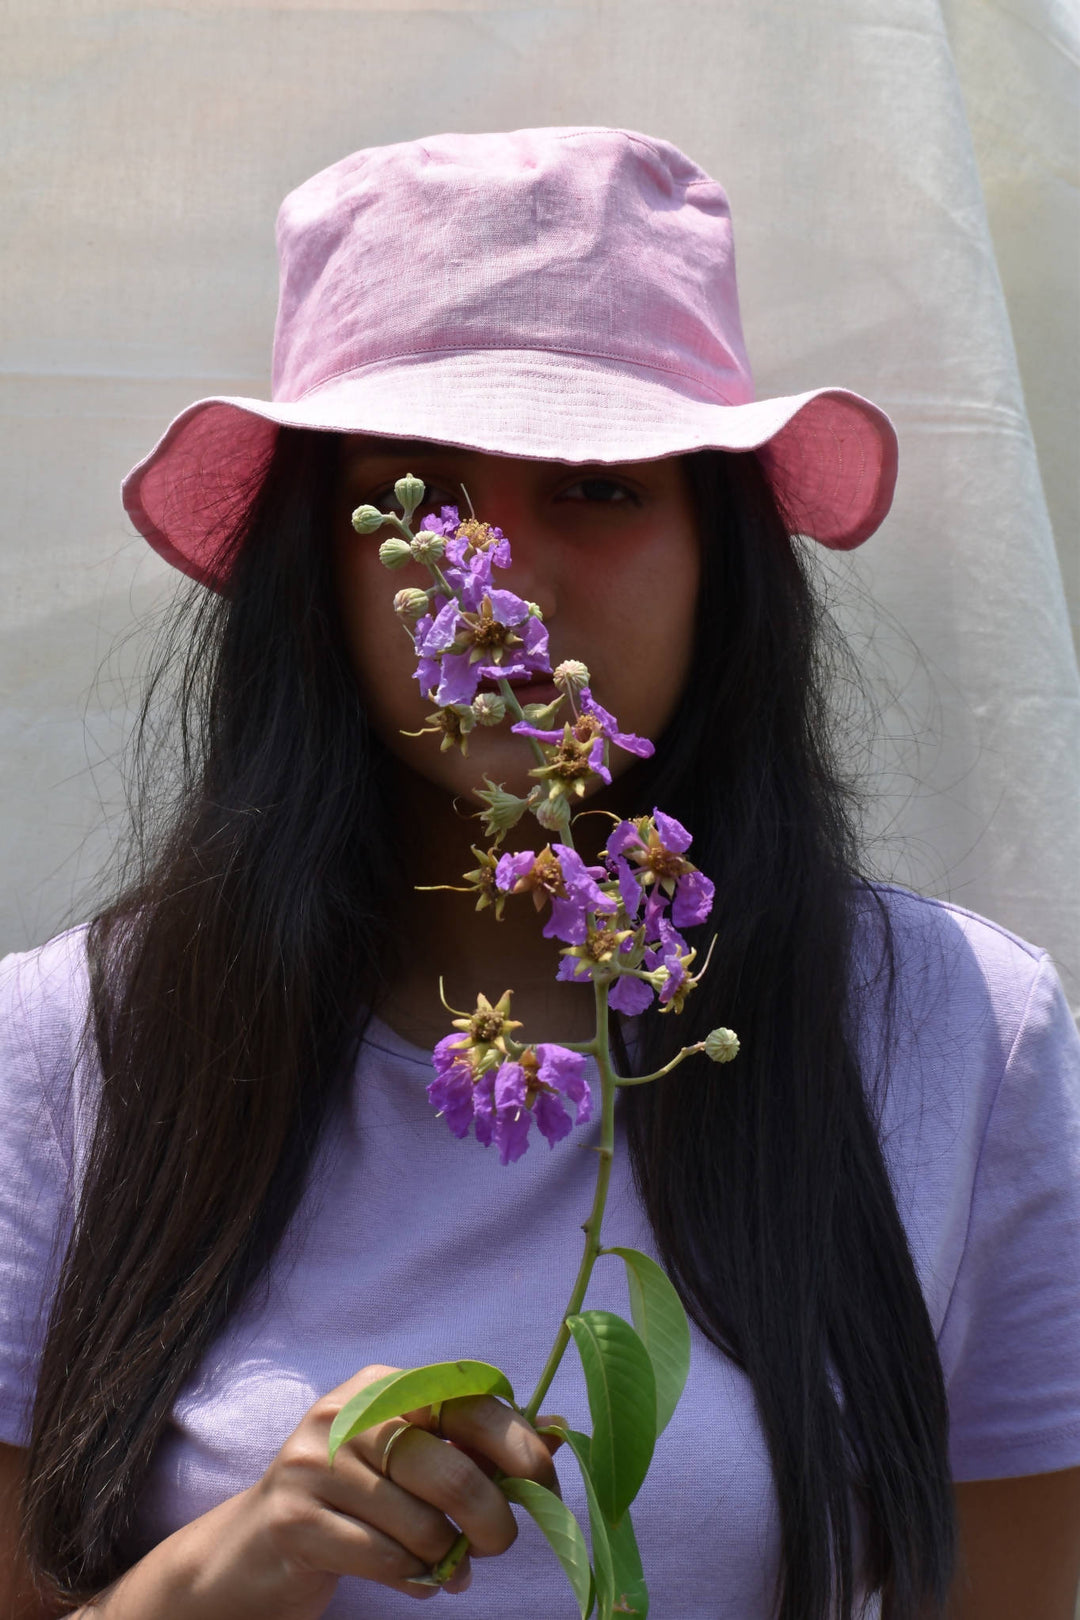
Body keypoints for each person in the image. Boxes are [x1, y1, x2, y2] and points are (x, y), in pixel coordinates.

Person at [1, 126, 1078, 1620]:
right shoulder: (67, 1050)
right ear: (314, 564)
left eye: (596, 485)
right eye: (423, 498)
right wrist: (227, 1565)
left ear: (722, 550)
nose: (504, 586)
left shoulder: (959, 1032)